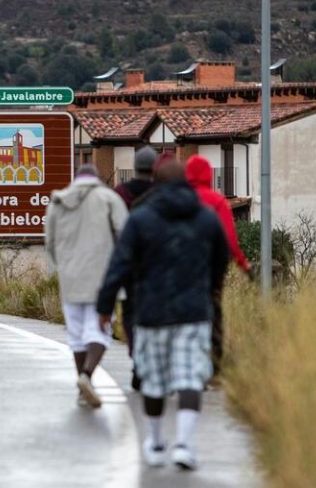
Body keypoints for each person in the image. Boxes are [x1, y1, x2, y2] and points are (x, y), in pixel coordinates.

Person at [96, 159, 229, 470]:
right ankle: (184, 444)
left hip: (150, 312)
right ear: (186, 183)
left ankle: (155, 442)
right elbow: (220, 260)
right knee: (190, 378)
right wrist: (208, 291)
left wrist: (105, 306)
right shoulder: (207, 219)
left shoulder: (140, 219)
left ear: (155, 182)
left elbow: (119, 265)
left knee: (154, 382)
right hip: (194, 312)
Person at [45, 164, 128, 409]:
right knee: (99, 331)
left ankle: (83, 389)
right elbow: (124, 236)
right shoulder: (109, 198)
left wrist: (63, 266)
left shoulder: (57, 202)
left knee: (77, 335)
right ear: (96, 178)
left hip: (70, 279)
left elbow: (50, 242)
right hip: (103, 278)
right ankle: (87, 376)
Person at [185, 155, 251, 376]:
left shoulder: (181, 200)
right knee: (214, 309)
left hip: (182, 266)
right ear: (208, 175)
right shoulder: (217, 201)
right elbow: (229, 238)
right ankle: (215, 361)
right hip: (211, 266)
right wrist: (242, 264)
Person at [113, 146, 157, 390]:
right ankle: (151, 357)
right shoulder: (160, 193)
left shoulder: (120, 193)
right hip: (157, 265)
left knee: (130, 314)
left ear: (135, 166)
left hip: (129, 264)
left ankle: (136, 354)